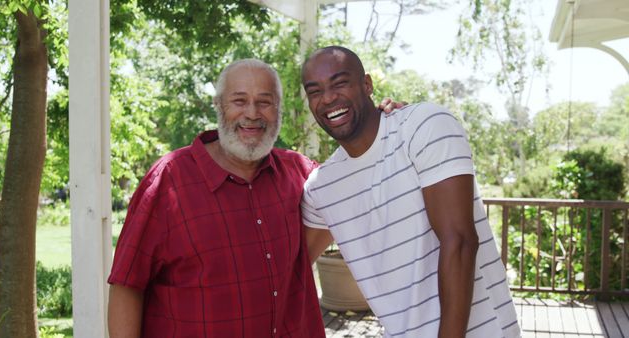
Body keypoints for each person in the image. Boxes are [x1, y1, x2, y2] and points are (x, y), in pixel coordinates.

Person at [107, 58, 402, 338]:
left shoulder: (301, 175)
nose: (252, 113)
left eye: (264, 102)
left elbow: (362, 175)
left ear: (279, 110)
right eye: (239, 101)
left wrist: (384, 125)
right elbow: (127, 285)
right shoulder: (168, 180)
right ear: (218, 106)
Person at [300, 46, 521, 338]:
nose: (328, 98)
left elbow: (460, 242)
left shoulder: (423, 127)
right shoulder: (321, 187)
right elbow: (290, 269)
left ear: (367, 85)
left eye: (340, 83)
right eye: (315, 91)